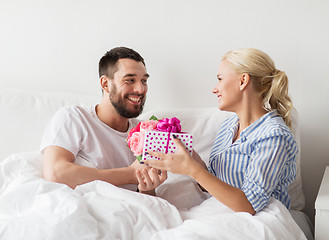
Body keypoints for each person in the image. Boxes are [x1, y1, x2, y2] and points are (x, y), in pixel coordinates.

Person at [143, 48, 298, 214]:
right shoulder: (229, 125)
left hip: (258, 219)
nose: (214, 89)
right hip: (219, 210)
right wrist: (192, 160)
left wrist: (193, 169)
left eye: (220, 79)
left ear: (243, 81)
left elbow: (250, 206)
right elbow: (213, 185)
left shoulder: (274, 135)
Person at [41, 47, 167, 195]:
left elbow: (146, 202)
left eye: (144, 81)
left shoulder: (145, 133)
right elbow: (55, 173)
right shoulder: (74, 117)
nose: (140, 89)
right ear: (105, 84)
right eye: (130, 80)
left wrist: (148, 187)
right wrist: (130, 174)